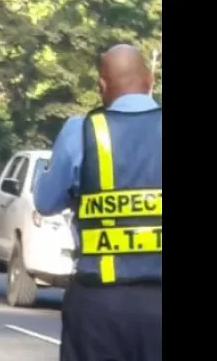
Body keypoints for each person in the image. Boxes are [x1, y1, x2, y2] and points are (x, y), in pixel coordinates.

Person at [35, 44, 161, 361]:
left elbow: (46, 202)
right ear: (151, 80)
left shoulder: (81, 132)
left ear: (101, 86)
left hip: (99, 306)